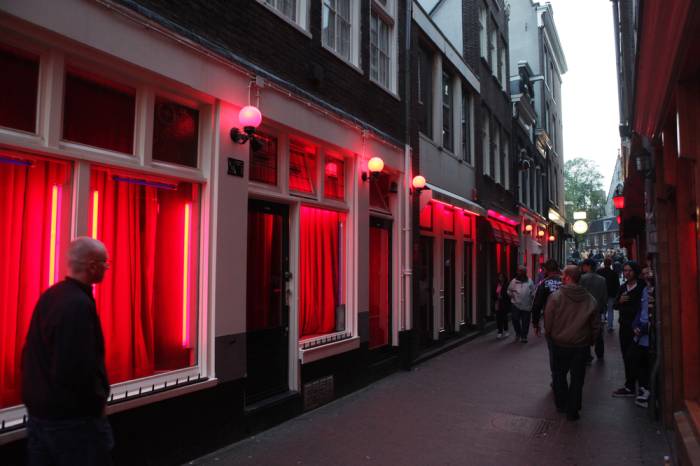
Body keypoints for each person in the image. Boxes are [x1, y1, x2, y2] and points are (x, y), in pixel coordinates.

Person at [22, 237, 113, 466]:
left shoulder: (51, 297)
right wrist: (97, 402)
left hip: (42, 416)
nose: (107, 267)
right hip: (73, 423)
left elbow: (31, 353)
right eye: (105, 262)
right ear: (92, 265)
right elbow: (74, 367)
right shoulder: (78, 305)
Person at [544, 265, 600, 421]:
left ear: (568, 277)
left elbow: (548, 320)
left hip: (560, 343)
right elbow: (595, 324)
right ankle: (573, 409)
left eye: (563, 275)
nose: (561, 277)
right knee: (577, 378)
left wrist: (550, 335)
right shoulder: (589, 299)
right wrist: (591, 340)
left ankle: (562, 404)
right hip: (581, 345)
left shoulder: (556, 297)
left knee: (559, 374)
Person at [612, 260, 648, 399]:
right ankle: (630, 385)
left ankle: (641, 386)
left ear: (635, 271)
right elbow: (615, 305)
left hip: (638, 328)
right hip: (624, 327)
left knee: (637, 357)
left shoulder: (641, 287)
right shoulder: (622, 288)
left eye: (629, 271)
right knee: (626, 356)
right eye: (625, 271)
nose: (626, 273)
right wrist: (619, 301)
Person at [530, 259, 563, 386]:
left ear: (546, 270)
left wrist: (535, 323)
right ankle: (562, 374)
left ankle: (556, 377)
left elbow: (537, 305)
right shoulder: (565, 282)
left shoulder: (543, 284)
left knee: (553, 351)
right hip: (567, 321)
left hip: (552, 323)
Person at [580, 259, 608, 361]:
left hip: (584, 309)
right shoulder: (602, 280)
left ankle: (587, 355)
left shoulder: (582, 279)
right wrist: (603, 308)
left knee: (585, 332)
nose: (582, 268)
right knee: (598, 331)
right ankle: (599, 352)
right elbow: (604, 296)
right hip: (597, 309)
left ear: (588, 266)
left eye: (584, 266)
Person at [507, 266, 535, 343]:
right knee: (515, 319)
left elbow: (533, 291)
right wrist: (511, 295)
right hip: (515, 304)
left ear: (524, 272)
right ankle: (518, 333)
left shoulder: (529, 281)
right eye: (519, 271)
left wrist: (532, 297)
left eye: (521, 271)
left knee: (525, 321)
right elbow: (509, 290)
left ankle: (524, 336)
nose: (519, 272)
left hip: (526, 305)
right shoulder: (514, 281)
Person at [597, 257, 620, 332]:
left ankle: (601, 323)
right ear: (610, 263)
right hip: (611, 294)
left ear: (604, 263)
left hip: (601, 293)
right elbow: (617, 285)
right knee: (610, 310)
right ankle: (610, 326)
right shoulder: (614, 273)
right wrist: (617, 295)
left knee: (601, 309)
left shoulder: (599, 272)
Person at [494, 273, 511, 339]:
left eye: (501, 277)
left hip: (504, 303)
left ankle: (506, 330)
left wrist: (503, 297)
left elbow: (508, 294)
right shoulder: (497, 285)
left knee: (504, 317)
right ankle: (499, 331)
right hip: (498, 303)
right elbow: (493, 293)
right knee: (498, 318)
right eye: (499, 277)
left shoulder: (507, 285)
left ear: (504, 278)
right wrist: (496, 297)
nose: (500, 278)